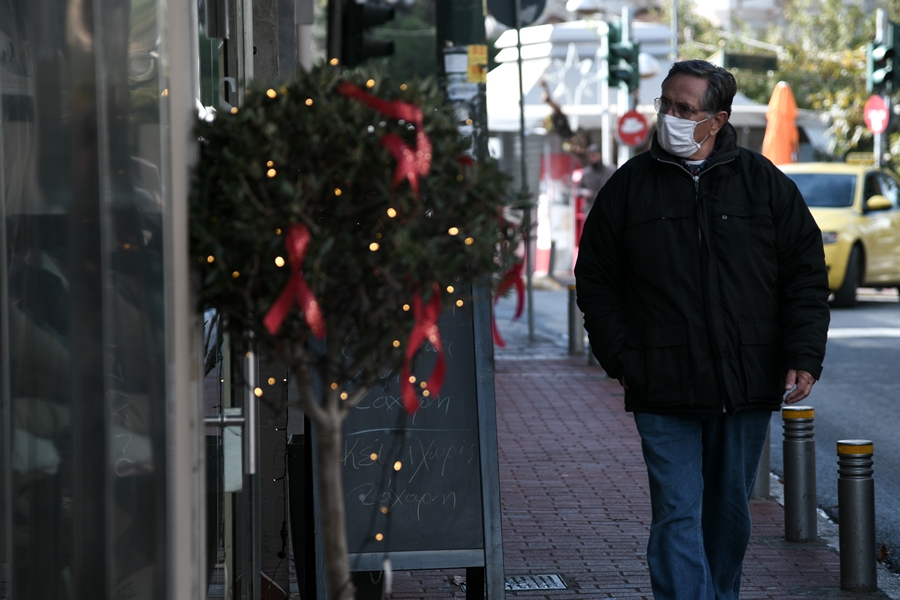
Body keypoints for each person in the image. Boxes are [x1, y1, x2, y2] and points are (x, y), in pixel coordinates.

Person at [574, 60, 830, 600]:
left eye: (684, 109)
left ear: (717, 119)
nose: (669, 116)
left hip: (745, 383)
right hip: (662, 384)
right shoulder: (628, 188)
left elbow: (805, 272)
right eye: (664, 104)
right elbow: (595, 279)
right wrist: (622, 357)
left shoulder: (763, 184)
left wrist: (803, 354)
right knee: (676, 513)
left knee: (729, 518)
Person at [577, 143, 616, 213]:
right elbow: (578, 190)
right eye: (591, 156)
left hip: (608, 208)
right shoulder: (586, 173)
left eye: (595, 155)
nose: (593, 158)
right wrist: (583, 192)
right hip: (591, 209)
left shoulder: (611, 171)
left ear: (600, 155)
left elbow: (619, 188)